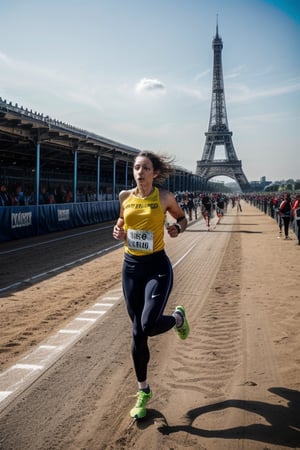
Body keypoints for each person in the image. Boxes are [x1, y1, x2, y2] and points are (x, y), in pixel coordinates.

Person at [112, 150, 190, 420]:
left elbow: (182, 218)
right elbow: (122, 220)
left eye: (145, 168)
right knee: (137, 332)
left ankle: (178, 319)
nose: (140, 172)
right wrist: (118, 229)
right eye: (136, 167)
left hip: (157, 268)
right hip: (131, 268)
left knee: (147, 324)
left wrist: (177, 228)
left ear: (155, 173)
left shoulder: (165, 197)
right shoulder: (125, 197)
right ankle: (143, 391)